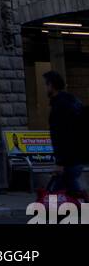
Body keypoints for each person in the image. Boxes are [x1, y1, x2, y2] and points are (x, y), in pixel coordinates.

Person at [43, 71, 86, 200]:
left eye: (46, 85)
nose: (45, 88)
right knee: (68, 190)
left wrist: (61, 162)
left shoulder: (60, 106)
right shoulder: (71, 101)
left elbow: (64, 135)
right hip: (76, 156)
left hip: (70, 158)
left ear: (51, 85)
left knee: (59, 191)